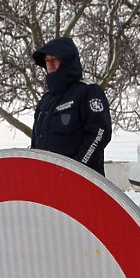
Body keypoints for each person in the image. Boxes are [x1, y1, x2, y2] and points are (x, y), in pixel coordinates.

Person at [31, 37, 112, 175]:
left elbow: (100, 132)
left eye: (54, 60)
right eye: (46, 60)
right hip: (46, 181)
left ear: (66, 60)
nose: (49, 65)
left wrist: (77, 169)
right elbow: (36, 141)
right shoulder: (46, 100)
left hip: (80, 182)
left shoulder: (88, 91)